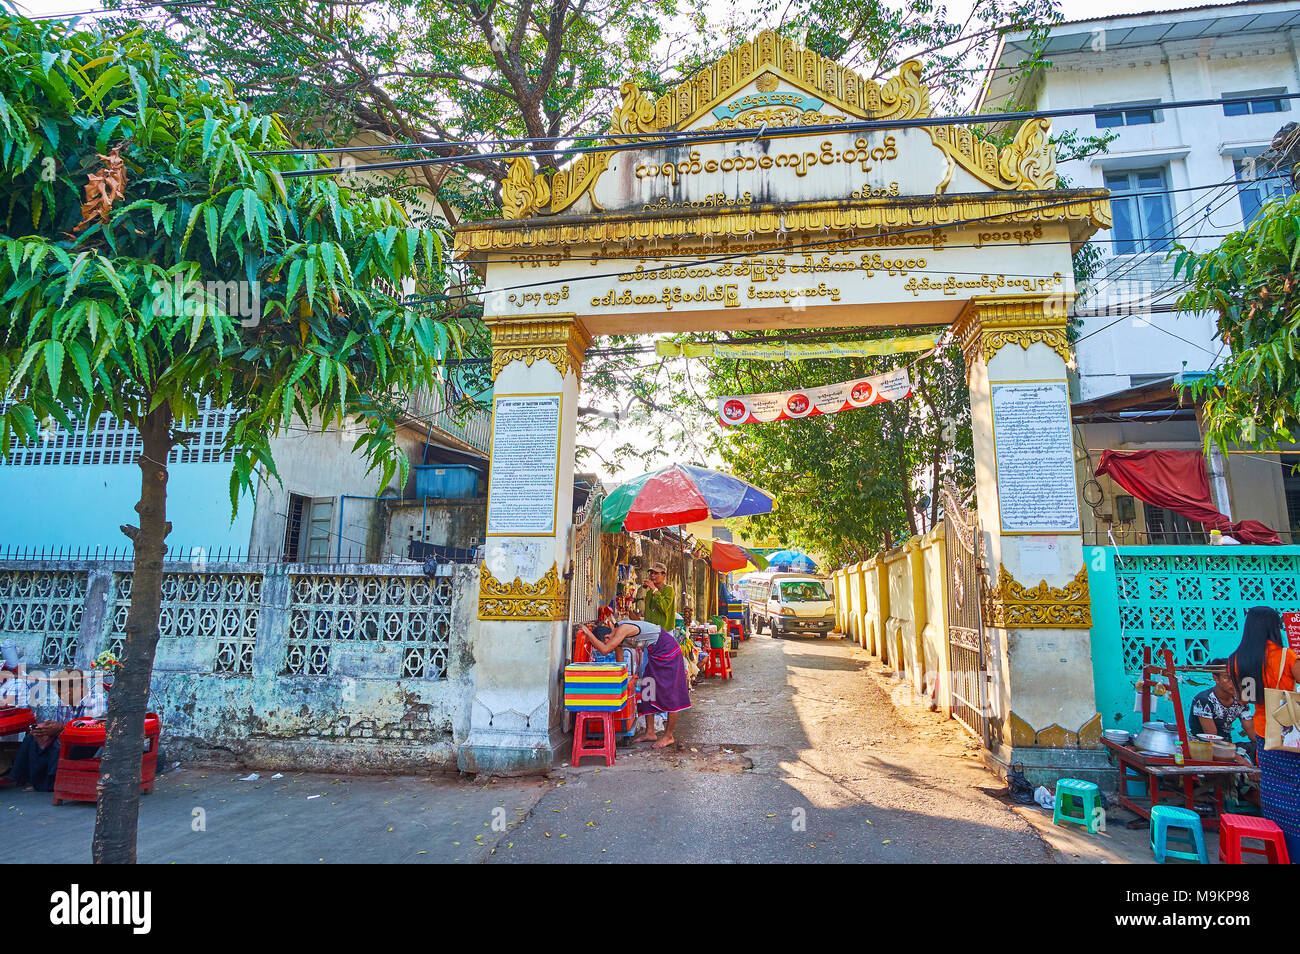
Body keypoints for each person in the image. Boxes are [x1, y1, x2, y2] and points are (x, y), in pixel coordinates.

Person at [1228, 606, 1300, 859]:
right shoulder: (1286, 657)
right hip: (1292, 734)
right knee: (1296, 792)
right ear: (1273, 627)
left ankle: (1278, 849)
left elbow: (1244, 699)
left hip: (1264, 735)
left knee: (1274, 792)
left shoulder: (1238, 660)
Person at [579, 618, 690, 749]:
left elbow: (604, 649)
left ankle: (669, 736)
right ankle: (650, 732)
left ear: (607, 637)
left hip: (668, 650)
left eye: (604, 642)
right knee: (648, 687)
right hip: (655, 652)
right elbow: (619, 663)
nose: (609, 645)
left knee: (669, 692)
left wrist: (588, 633)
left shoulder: (622, 629)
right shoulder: (617, 638)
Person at [0, 668, 106, 792]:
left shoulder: (96, 700)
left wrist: (61, 728)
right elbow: (57, 723)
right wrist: (45, 729)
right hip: (66, 737)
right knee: (32, 738)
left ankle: (48, 783)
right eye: (60, 694)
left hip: (87, 744)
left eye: (66, 693)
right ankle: (24, 779)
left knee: (59, 747)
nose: (63, 698)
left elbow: (88, 729)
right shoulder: (64, 702)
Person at [1190, 658, 1257, 744]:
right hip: (1204, 747)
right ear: (1216, 679)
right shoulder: (1204, 700)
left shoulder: (1240, 700)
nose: (1233, 682)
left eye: (1236, 677)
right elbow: (1212, 738)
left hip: (1227, 746)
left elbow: (1251, 732)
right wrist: (1236, 756)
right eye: (1227, 678)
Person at [642, 562, 675, 632]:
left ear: (664, 576)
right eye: (651, 573)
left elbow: (664, 607)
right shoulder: (649, 592)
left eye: (656, 573)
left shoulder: (669, 589)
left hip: (664, 631)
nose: (652, 575)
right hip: (650, 630)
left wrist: (654, 589)